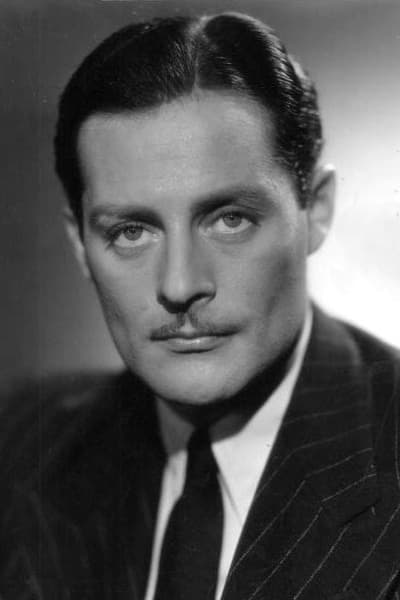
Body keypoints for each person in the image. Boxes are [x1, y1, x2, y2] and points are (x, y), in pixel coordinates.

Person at [1, 11, 399, 600]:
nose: (180, 284)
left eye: (230, 219)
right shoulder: (21, 444)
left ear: (315, 209)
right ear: (80, 244)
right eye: (131, 232)